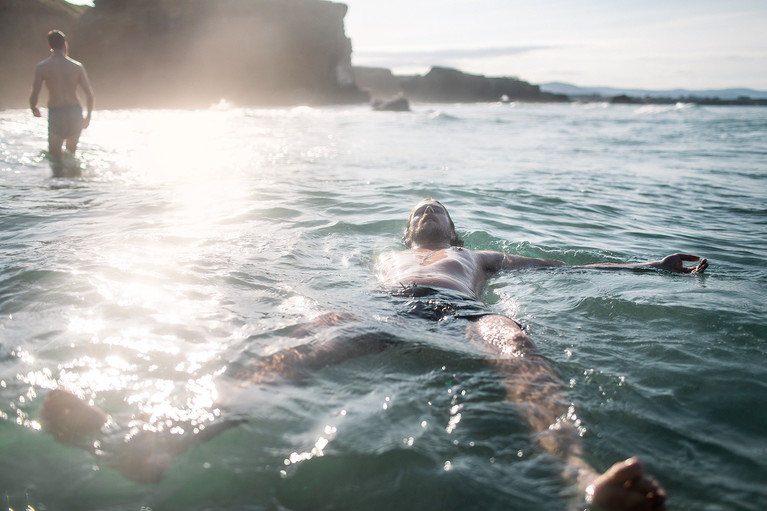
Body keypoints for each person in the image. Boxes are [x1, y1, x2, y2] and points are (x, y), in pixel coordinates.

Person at [40, 198, 706, 508]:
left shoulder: (476, 254)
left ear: (452, 226)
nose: (426, 215)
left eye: (435, 210)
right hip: (387, 312)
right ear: (406, 229)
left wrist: (648, 264)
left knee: (516, 341)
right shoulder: (386, 256)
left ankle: (579, 480)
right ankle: (159, 443)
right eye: (418, 212)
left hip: (462, 312)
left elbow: (559, 264)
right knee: (306, 346)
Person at [29, 30, 94, 169]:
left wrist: (34, 107)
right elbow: (89, 94)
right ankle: (73, 186)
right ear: (65, 44)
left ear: (49, 45)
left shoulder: (42, 67)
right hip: (75, 111)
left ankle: (58, 187)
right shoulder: (77, 66)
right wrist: (88, 116)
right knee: (71, 155)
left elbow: (35, 92)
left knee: (55, 158)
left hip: (56, 112)